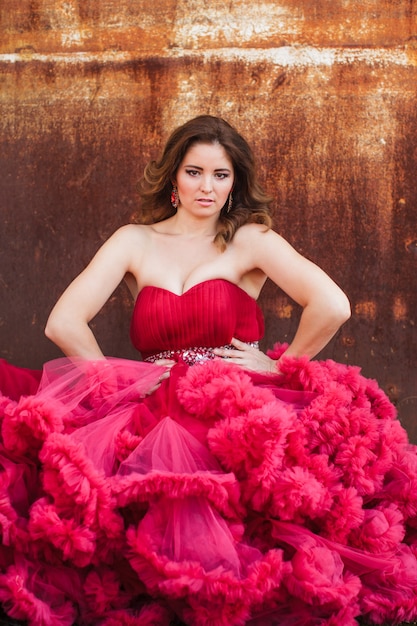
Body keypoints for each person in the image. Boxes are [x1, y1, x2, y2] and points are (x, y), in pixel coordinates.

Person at [0, 115, 416, 626]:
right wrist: (111, 385)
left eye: (220, 175)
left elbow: (332, 305)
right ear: (173, 178)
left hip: (230, 403)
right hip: (148, 400)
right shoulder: (134, 240)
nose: (207, 186)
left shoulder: (251, 240)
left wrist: (280, 365)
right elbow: (64, 322)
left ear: (234, 183)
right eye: (194, 172)